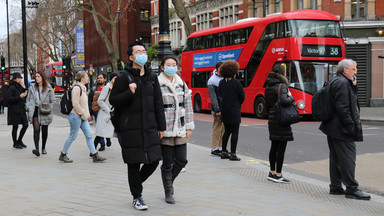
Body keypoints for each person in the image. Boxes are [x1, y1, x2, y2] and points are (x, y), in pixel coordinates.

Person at [109, 41, 166, 211]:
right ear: (131, 57)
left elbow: (158, 103)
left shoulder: (152, 77)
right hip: (130, 128)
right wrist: (129, 92)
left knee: (155, 160)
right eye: (138, 52)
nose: (142, 54)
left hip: (150, 126)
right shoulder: (123, 78)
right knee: (134, 163)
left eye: (144, 51)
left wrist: (161, 127)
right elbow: (114, 101)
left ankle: (135, 183)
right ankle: (137, 196)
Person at [319, 59, 370, 200]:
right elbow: (343, 107)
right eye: (353, 69)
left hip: (332, 127)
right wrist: (350, 126)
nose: (355, 72)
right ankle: (352, 188)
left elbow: (345, 101)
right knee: (348, 157)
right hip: (341, 128)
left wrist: (353, 87)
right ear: (345, 70)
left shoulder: (336, 80)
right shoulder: (342, 83)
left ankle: (335, 187)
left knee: (335, 157)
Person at [158, 56, 194, 204]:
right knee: (167, 162)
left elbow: (188, 105)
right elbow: (154, 107)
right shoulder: (157, 84)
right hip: (164, 127)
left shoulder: (181, 84)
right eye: (168, 64)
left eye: (174, 64)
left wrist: (189, 126)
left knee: (181, 159)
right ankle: (168, 191)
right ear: (162, 67)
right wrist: (158, 127)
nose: (171, 67)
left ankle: (169, 183)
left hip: (179, 127)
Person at [59, 71, 106, 163]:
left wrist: (87, 115)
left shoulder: (83, 88)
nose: (88, 78)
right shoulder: (77, 88)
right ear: (82, 78)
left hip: (82, 117)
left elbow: (84, 105)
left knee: (89, 135)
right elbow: (75, 104)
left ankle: (95, 155)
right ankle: (63, 154)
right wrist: (84, 115)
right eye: (86, 76)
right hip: (76, 116)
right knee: (72, 136)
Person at [264, 64, 294, 183]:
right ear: (282, 73)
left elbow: (267, 105)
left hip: (272, 117)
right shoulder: (282, 86)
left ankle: (271, 172)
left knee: (274, 146)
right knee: (281, 148)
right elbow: (284, 101)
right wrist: (291, 98)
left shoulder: (268, 86)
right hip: (281, 119)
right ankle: (278, 174)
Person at [218, 60, 245, 161]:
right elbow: (242, 96)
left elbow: (220, 95)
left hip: (225, 109)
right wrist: (237, 103)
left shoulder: (221, 83)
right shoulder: (236, 83)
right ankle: (233, 154)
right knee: (235, 132)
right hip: (234, 110)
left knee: (226, 131)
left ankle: (224, 151)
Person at [26, 71, 55, 156]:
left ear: (42, 77)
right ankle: (37, 149)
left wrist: (49, 107)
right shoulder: (32, 87)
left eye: (38, 76)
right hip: (35, 110)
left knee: (44, 129)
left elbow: (53, 101)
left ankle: (43, 147)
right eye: (36, 77)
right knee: (36, 129)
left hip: (45, 110)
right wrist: (28, 107)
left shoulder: (48, 88)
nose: (36, 78)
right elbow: (28, 99)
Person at [94, 72, 118, 150]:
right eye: (115, 78)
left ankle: (108, 140)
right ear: (111, 79)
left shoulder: (116, 88)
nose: (117, 79)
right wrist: (108, 110)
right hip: (105, 114)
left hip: (111, 114)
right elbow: (100, 101)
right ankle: (93, 150)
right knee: (100, 134)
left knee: (108, 131)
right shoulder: (107, 88)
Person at [7, 73, 28, 149]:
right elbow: (9, 99)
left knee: (25, 124)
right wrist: (19, 97)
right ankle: (15, 143)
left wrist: (24, 87)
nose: (20, 79)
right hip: (14, 110)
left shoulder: (19, 86)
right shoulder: (12, 87)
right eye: (19, 78)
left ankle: (19, 140)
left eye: (21, 78)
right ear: (14, 79)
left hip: (21, 109)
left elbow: (26, 94)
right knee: (15, 126)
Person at [207, 62, 224, 156]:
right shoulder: (212, 80)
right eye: (221, 68)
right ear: (217, 69)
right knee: (217, 127)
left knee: (224, 128)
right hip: (217, 108)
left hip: (225, 107)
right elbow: (213, 97)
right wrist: (217, 110)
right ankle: (214, 148)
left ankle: (221, 147)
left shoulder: (225, 78)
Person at [89, 73, 108, 151]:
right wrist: (90, 113)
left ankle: (108, 139)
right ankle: (102, 144)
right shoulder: (94, 89)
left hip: (106, 111)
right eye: (98, 78)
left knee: (107, 127)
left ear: (105, 79)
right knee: (100, 128)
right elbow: (90, 101)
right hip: (97, 111)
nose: (99, 79)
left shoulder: (108, 88)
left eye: (101, 78)